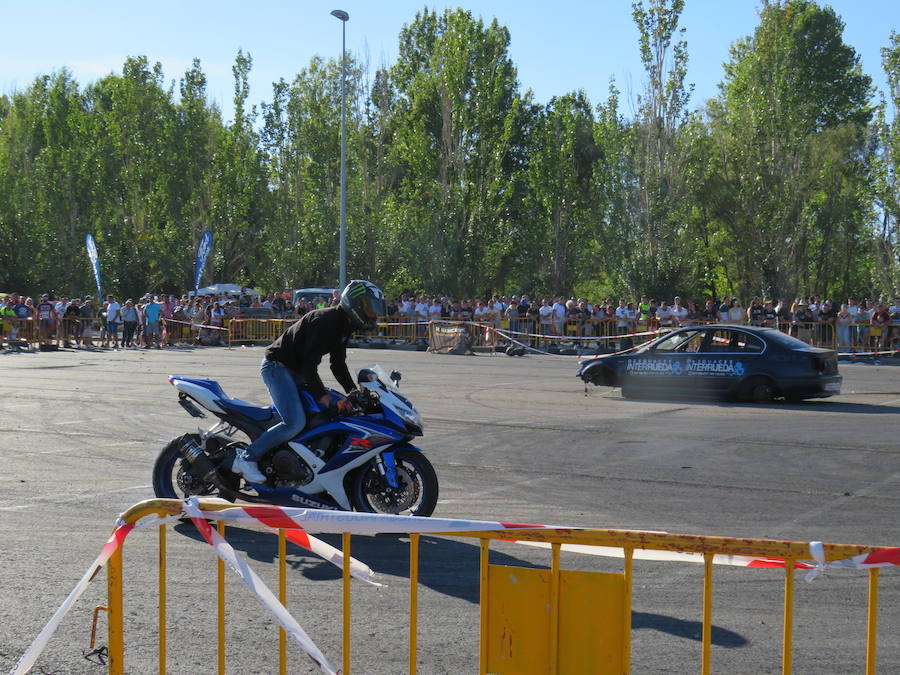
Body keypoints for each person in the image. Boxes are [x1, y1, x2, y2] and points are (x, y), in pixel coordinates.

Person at [231, 279, 386, 483]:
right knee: (294, 422)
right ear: (355, 303)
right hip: (277, 367)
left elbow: (337, 364)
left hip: (296, 370)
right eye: (368, 307)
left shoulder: (343, 325)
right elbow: (309, 365)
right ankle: (247, 457)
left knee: (326, 413)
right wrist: (322, 396)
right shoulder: (326, 321)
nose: (373, 314)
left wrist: (353, 391)